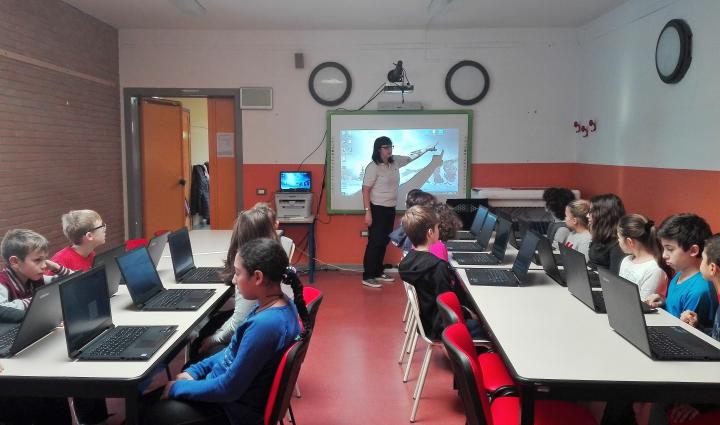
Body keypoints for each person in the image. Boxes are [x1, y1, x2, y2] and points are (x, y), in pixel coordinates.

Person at [142, 238, 307, 425]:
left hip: (231, 410)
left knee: (147, 411)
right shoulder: (275, 305)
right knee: (154, 399)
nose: (234, 279)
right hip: (226, 394)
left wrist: (178, 388)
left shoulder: (265, 326)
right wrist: (196, 371)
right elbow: (232, 351)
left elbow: (228, 389)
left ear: (258, 277)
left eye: (238, 273)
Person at [646, 234, 720, 425]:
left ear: (712, 268)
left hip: (711, 393)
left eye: (703, 258)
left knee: (661, 399)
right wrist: (698, 326)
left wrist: (703, 405)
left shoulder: (702, 290)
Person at [192, 207, 280, 360]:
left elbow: (238, 324)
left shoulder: (250, 275)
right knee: (212, 325)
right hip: (259, 330)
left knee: (199, 345)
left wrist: (213, 339)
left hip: (250, 340)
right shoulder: (272, 257)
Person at [398, 206, 483, 340]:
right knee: (484, 327)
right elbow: (448, 305)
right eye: (438, 227)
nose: (439, 230)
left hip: (427, 323)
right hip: (443, 327)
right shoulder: (437, 266)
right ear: (430, 232)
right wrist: (467, 313)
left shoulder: (407, 262)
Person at [361, 136, 436, 288]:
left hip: (390, 208)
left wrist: (427, 149)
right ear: (378, 149)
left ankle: (377, 271)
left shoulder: (394, 161)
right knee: (375, 242)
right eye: (386, 147)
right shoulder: (373, 167)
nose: (389, 150)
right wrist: (367, 212)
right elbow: (365, 190)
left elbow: (411, 157)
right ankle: (368, 276)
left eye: (391, 146)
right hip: (377, 209)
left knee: (384, 241)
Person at [645, 214, 717, 328]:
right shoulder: (680, 273)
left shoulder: (699, 291)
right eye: (663, 248)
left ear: (693, 250)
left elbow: (687, 330)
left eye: (670, 249)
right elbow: (676, 310)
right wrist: (663, 302)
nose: (664, 255)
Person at [0, 229, 72, 312]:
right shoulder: (2, 283)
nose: (44, 265)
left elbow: (75, 281)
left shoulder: (36, 278)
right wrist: (38, 299)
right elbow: (2, 309)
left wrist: (58, 268)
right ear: (15, 262)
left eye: (45, 259)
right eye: (37, 260)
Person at [616, 214, 668, 301]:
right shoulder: (626, 260)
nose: (618, 241)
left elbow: (643, 303)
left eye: (619, 237)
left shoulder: (654, 270)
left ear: (630, 242)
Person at [587, 193, 627, 274]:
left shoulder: (618, 245)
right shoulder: (601, 235)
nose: (587, 215)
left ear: (603, 215)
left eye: (591, 212)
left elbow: (613, 278)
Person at [389, 189, 437, 254]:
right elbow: (396, 238)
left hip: (417, 252)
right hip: (414, 252)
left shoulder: (409, 220)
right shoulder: (410, 221)